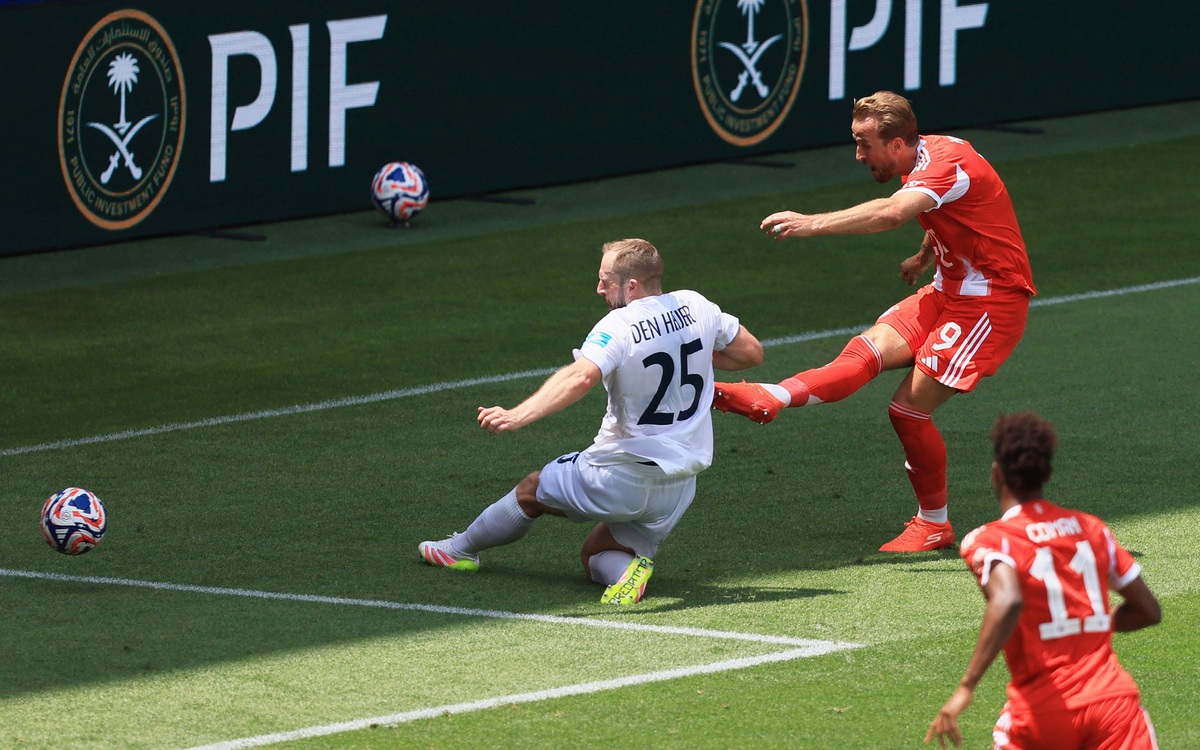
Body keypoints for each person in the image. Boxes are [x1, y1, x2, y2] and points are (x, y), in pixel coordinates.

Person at [714, 90, 1036, 552]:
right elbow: (960, 211)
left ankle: (934, 523)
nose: (858, 154)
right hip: (947, 290)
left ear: (900, 145)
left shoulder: (942, 163)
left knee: (907, 410)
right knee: (862, 354)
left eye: (865, 144)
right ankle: (773, 395)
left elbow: (891, 213)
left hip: (989, 304)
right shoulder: (924, 157)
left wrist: (810, 223)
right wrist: (925, 256)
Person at [419, 238, 764, 604]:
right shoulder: (697, 305)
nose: (599, 288)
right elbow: (750, 352)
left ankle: (460, 549)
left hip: (618, 475)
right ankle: (627, 573)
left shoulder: (619, 324)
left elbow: (580, 377)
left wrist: (518, 414)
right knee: (595, 554)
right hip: (679, 488)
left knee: (530, 492)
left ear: (631, 285)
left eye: (606, 280)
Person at [925, 412, 1161, 749]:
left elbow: (1007, 600)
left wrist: (966, 686)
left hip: (1042, 713)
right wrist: (1090, 624)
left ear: (996, 474)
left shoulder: (989, 541)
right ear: (1046, 474)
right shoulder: (1091, 529)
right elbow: (1148, 610)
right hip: (1114, 707)